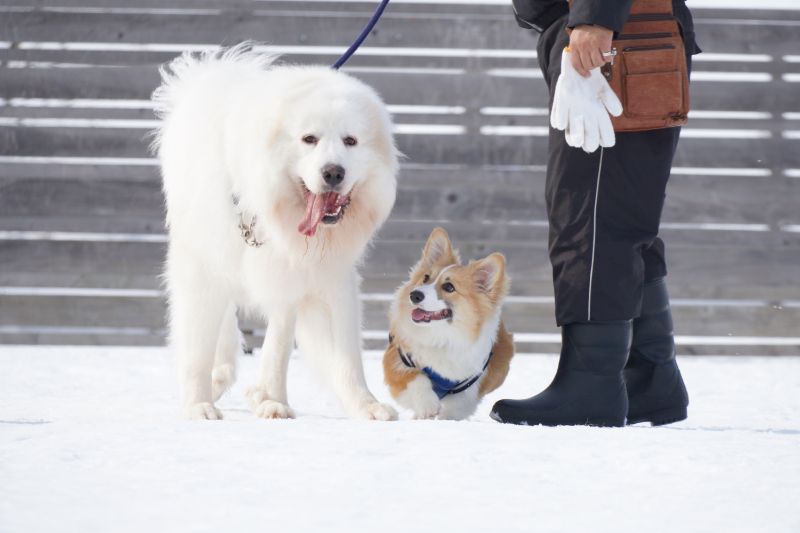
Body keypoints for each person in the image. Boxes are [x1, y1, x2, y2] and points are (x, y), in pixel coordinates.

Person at [491, 0, 701, 427]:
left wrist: (595, 18)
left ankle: (592, 384)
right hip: (614, 32)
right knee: (620, 215)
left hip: (608, 36)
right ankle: (647, 378)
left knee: (589, 215)